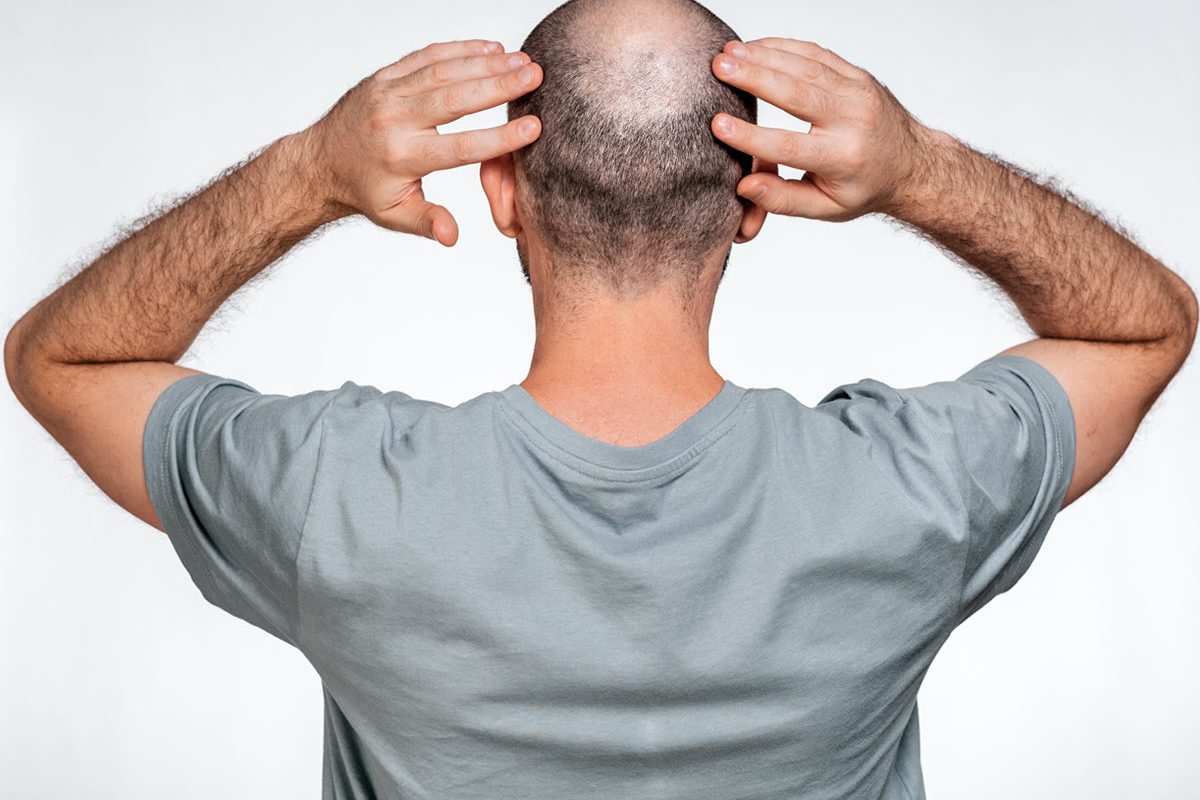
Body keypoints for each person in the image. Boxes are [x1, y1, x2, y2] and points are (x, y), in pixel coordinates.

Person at [5, 0, 1195, 796]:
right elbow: (1148, 323)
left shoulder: (341, 499)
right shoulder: (912, 490)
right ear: (751, 202)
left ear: (502, 189)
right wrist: (920, 167)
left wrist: (308, 173)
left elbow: (60, 362)